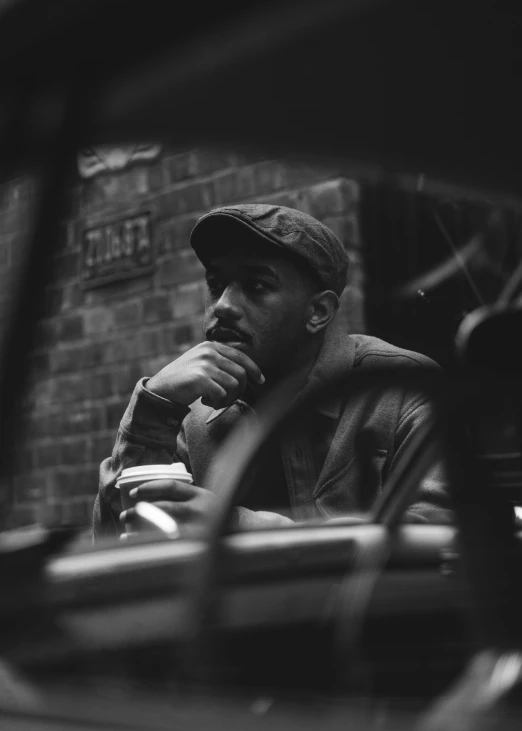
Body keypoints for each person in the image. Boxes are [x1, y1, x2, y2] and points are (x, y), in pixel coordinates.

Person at [93, 204, 448, 540]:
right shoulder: (194, 420)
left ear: (318, 312)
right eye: (216, 285)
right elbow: (117, 553)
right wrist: (152, 409)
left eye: (257, 285)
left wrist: (244, 529)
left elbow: (442, 535)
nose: (224, 306)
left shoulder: (401, 387)